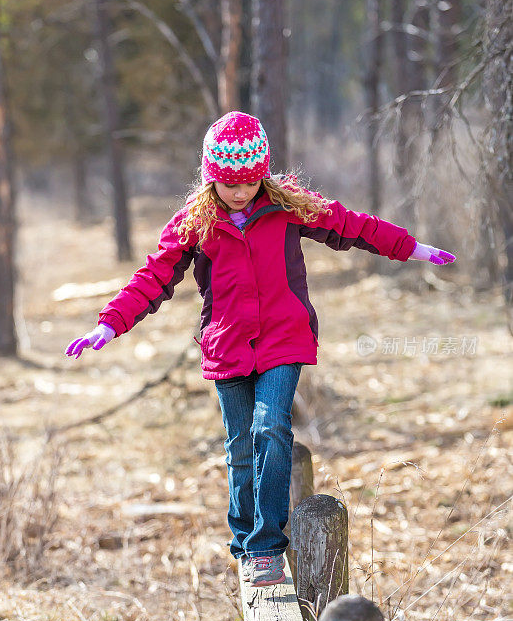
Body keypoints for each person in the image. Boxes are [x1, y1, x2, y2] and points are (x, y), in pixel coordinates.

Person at [65, 111, 456, 588]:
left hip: (283, 338)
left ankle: (267, 546)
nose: (240, 193)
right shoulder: (194, 222)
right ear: (211, 178)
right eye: (229, 184)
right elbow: (152, 279)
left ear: (262, 173)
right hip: (227, 345)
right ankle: (246, 543)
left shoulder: (288, 206)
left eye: (249, 183)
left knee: (270, 425)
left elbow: (354, 227)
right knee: (240, 447)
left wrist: (413, 248)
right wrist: (107, 326)